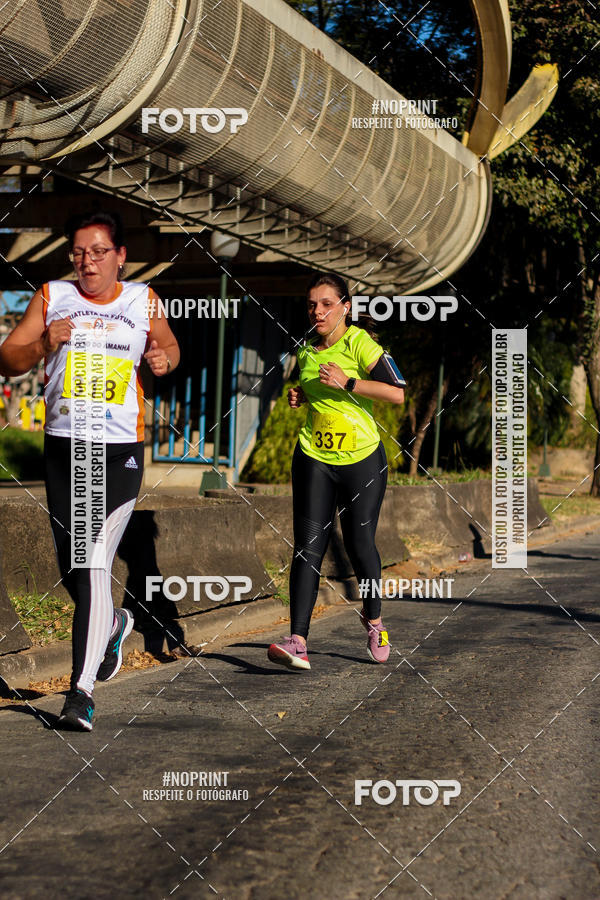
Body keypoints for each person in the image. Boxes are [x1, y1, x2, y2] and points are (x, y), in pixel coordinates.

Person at [0, 210, 179, 730]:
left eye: (99, 251)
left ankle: (81, 693)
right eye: (79, 252)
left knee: (97, 560)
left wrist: (163, 358)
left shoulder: (141, 300)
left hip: (119, 448)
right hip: (66, 448)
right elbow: (8, 358)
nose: (88, 262)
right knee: (74, 568)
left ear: (120, 256)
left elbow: (168, 347)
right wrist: (43, 345)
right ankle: (116, 623)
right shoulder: (53, 295)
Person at [267, 272, 406, 670]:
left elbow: (396, 392)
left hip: (361, 460)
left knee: (359, 544)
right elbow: (312, 389)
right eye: (312, 305)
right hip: (314, 456)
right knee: (308, 547)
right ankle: (297, 641)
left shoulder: (361, 343)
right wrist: (300, 394)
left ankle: (375, 621)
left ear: (346, 306)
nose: (318, 311)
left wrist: (349, 382)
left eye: (327, 304)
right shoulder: (307, 350)